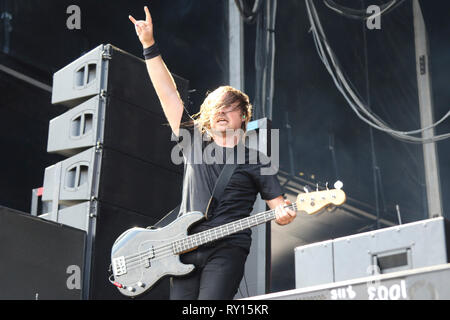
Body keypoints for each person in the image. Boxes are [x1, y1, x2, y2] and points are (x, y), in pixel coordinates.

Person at [129, 6, 296, 300]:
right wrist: (148, 45)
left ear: (243, 116)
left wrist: (286, 213)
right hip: (184, 246)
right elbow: (167, 93)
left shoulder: (258, 160)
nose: (222, 112)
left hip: (227, 248)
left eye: (230, 107)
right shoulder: (194, 139)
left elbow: (279, 210)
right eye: (217, 107)